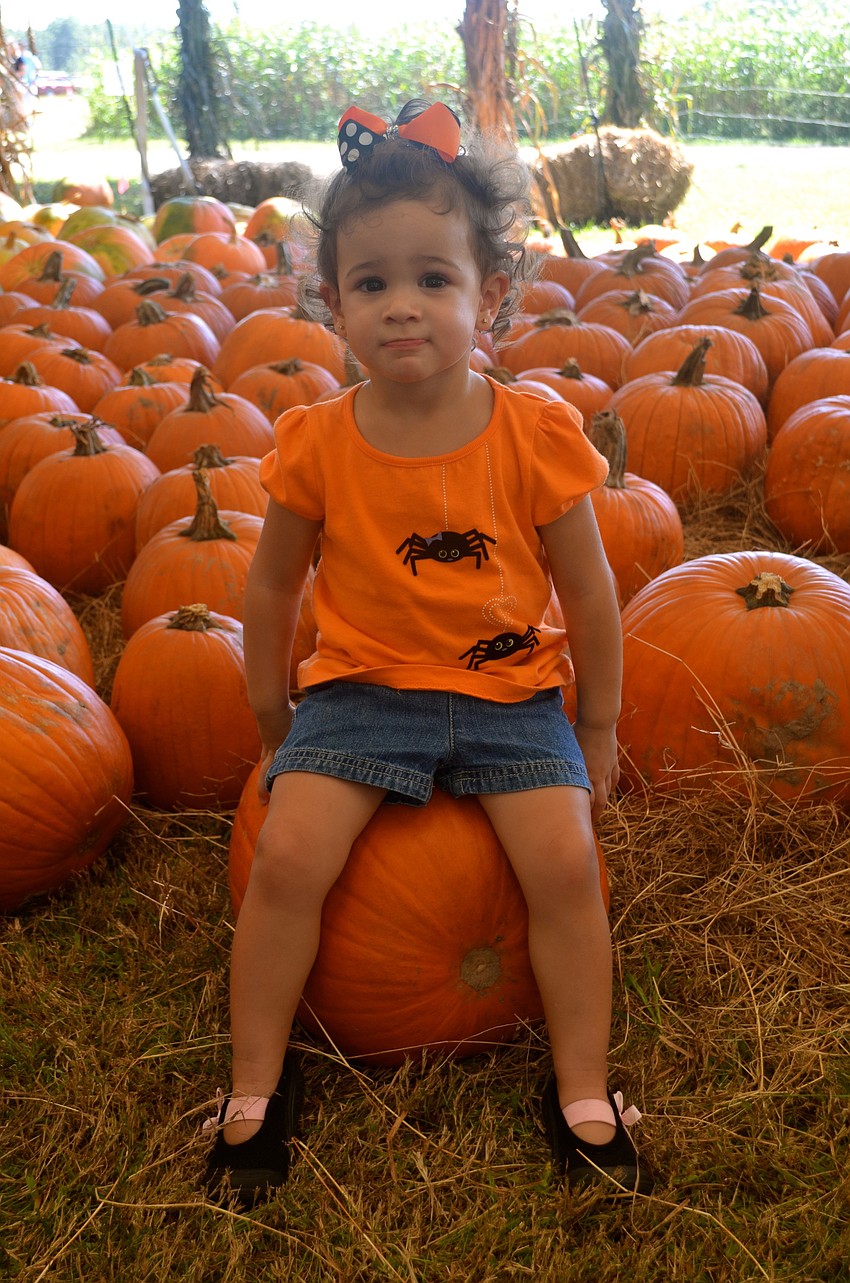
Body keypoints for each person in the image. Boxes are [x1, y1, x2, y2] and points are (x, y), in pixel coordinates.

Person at [204, 98, 654, 1208]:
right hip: (364, 691)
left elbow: (590, 588)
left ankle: (583, 1088)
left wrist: (593, 720)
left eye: (432, 280)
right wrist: (275, 715)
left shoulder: (532, 431)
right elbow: (269, 585)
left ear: (487, 295)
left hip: (510, 693)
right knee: (290, 859)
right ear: (331, 302)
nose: (402, 307)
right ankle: (254, 1087)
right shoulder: (316, 442)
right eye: (371, 284)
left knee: (563, 865)